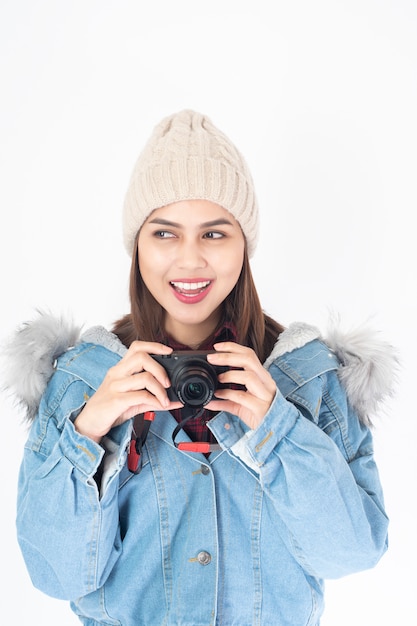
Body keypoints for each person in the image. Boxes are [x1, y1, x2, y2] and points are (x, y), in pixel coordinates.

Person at [7, 110, 396, 625]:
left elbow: (349, 553)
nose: (190, 261)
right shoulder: (84, 381)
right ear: (137, 246)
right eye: (164, 234)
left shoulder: (308, 380)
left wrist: (279, 429)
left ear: (245, 246)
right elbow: (57, 576)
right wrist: (88, 432)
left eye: (215, 234)